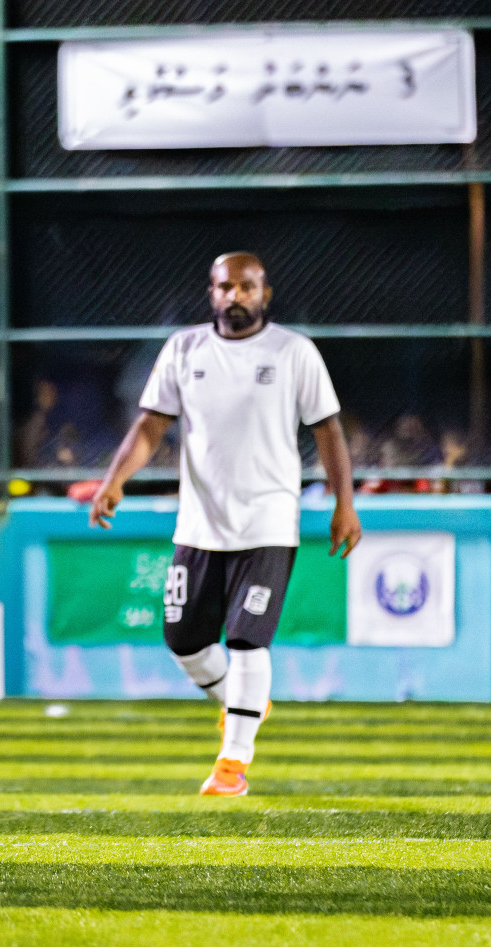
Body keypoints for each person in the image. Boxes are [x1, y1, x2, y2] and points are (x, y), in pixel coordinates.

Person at [88, 252, 362, 797]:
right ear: (211, 292)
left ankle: (233, 763)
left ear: (265, 292)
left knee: (246, 640)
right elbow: (149, 425)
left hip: (268, 522)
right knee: (183, 639)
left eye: (246, 286)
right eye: (224, 287)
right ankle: (244, 702)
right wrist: (114, 479)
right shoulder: (184, 349)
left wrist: (344, 503)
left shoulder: (293, 352)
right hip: (199, 524)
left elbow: (328, 431)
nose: (235, 295)